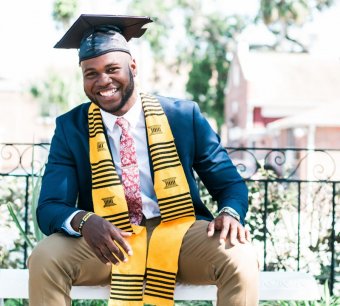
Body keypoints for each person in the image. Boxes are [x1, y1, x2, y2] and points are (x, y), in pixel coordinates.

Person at [28, 14, 259, 306]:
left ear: (133, 67)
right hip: (108, 241)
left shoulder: (183, 117)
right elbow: (49, 207)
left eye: (112, 69)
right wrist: (85, 221)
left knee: (239, 255)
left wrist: (229, 213)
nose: (103, 81)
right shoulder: (71, 128)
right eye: (91, 73)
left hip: (179, 233)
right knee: (45, 258)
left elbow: (230, 185)